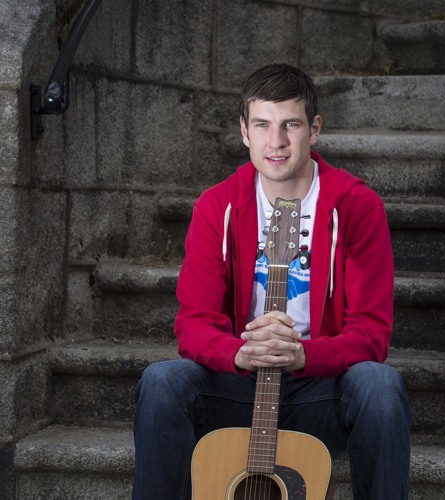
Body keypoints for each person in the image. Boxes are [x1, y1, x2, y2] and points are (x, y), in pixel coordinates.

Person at [132, 63, 411, 499]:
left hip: (319, 388)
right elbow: (193, 324)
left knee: (380, 386)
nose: (276, 141)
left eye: (290, 125)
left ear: (314, 129)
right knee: (162, 381)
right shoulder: (218, 206)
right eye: (262, 124)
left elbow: (371, 333)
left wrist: (302, 355)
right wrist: (241, 353)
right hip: (241, 385)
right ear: (244, 131)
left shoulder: (356, 206)